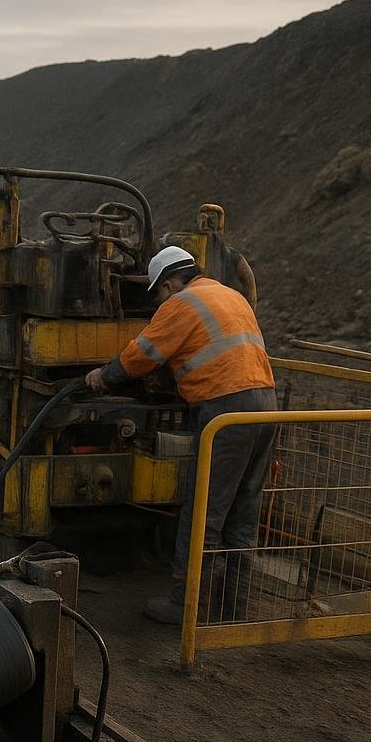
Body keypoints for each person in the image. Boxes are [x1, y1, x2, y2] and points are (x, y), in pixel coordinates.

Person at [83, 246, 277, 624]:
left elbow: (142, 354)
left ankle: (185, 604)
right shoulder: (231, 295)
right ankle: (233, 606)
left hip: (225, 410)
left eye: (156, 295)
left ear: (169, 286)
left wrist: (103, 376)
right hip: (266, 406)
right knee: (243, 511)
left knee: (204, 509)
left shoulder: (181, 304)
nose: (158, 302)